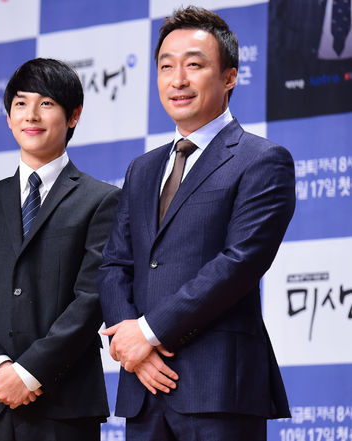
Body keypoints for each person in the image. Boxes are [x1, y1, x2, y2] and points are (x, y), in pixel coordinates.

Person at [99, 6, 295, 441]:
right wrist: (132, 347)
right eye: (166, 66)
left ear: (229, 77)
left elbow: (239, 263)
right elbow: (114, 265)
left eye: (194, 65)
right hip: (144, 387)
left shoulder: (262, 160)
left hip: (219, 386)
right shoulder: (142, 169)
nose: (178, 80)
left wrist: (147, 333)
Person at [0, 58, 119, 441]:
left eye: (46, 103)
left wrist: (29, 372)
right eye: (21, 103)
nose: (31, 115)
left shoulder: (101, 200)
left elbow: (91, 298)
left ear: (74, 115)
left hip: (64, 402)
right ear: (8, 118)